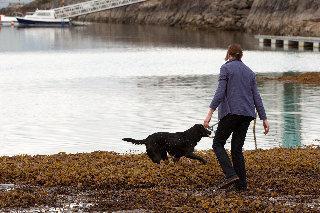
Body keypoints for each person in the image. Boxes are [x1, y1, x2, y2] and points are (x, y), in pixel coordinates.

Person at [203, 44, 270, 191]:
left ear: (229, 54)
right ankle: (241, 184)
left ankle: (231, 174)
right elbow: (256, 98)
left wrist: (209, 114)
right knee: (236, 149)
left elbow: (220, 93)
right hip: (247, 115)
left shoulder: (225, 68)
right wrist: (264, 119)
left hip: (231, 113)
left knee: (218, 144)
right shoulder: (250, 72)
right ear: (241, 56)